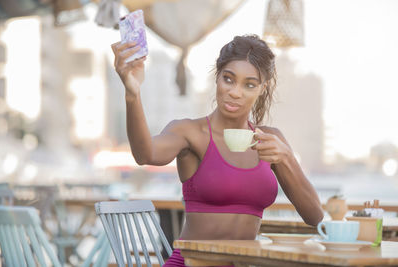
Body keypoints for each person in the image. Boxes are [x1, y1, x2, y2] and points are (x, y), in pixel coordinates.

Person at [111, 34, 324, 266]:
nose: (235, 92)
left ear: (262, 88)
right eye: (229, 79)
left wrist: (286, 159)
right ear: (217, 78)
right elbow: (145, 154)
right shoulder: (190, 132)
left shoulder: (271, 140)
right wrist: (133, 94)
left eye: (249, 84)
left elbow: (315, 217)